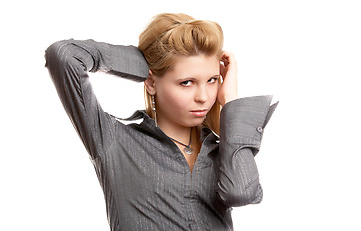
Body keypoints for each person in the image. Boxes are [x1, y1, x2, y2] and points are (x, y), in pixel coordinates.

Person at [45, 13, 278, 231]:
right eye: (186, 82)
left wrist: (230, 104)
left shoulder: (224, 150)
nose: (204, 97)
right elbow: (64, 56)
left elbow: (241, 194)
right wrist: (145, 61)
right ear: (151, 82)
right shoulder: (113, 141)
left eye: (212, 80)